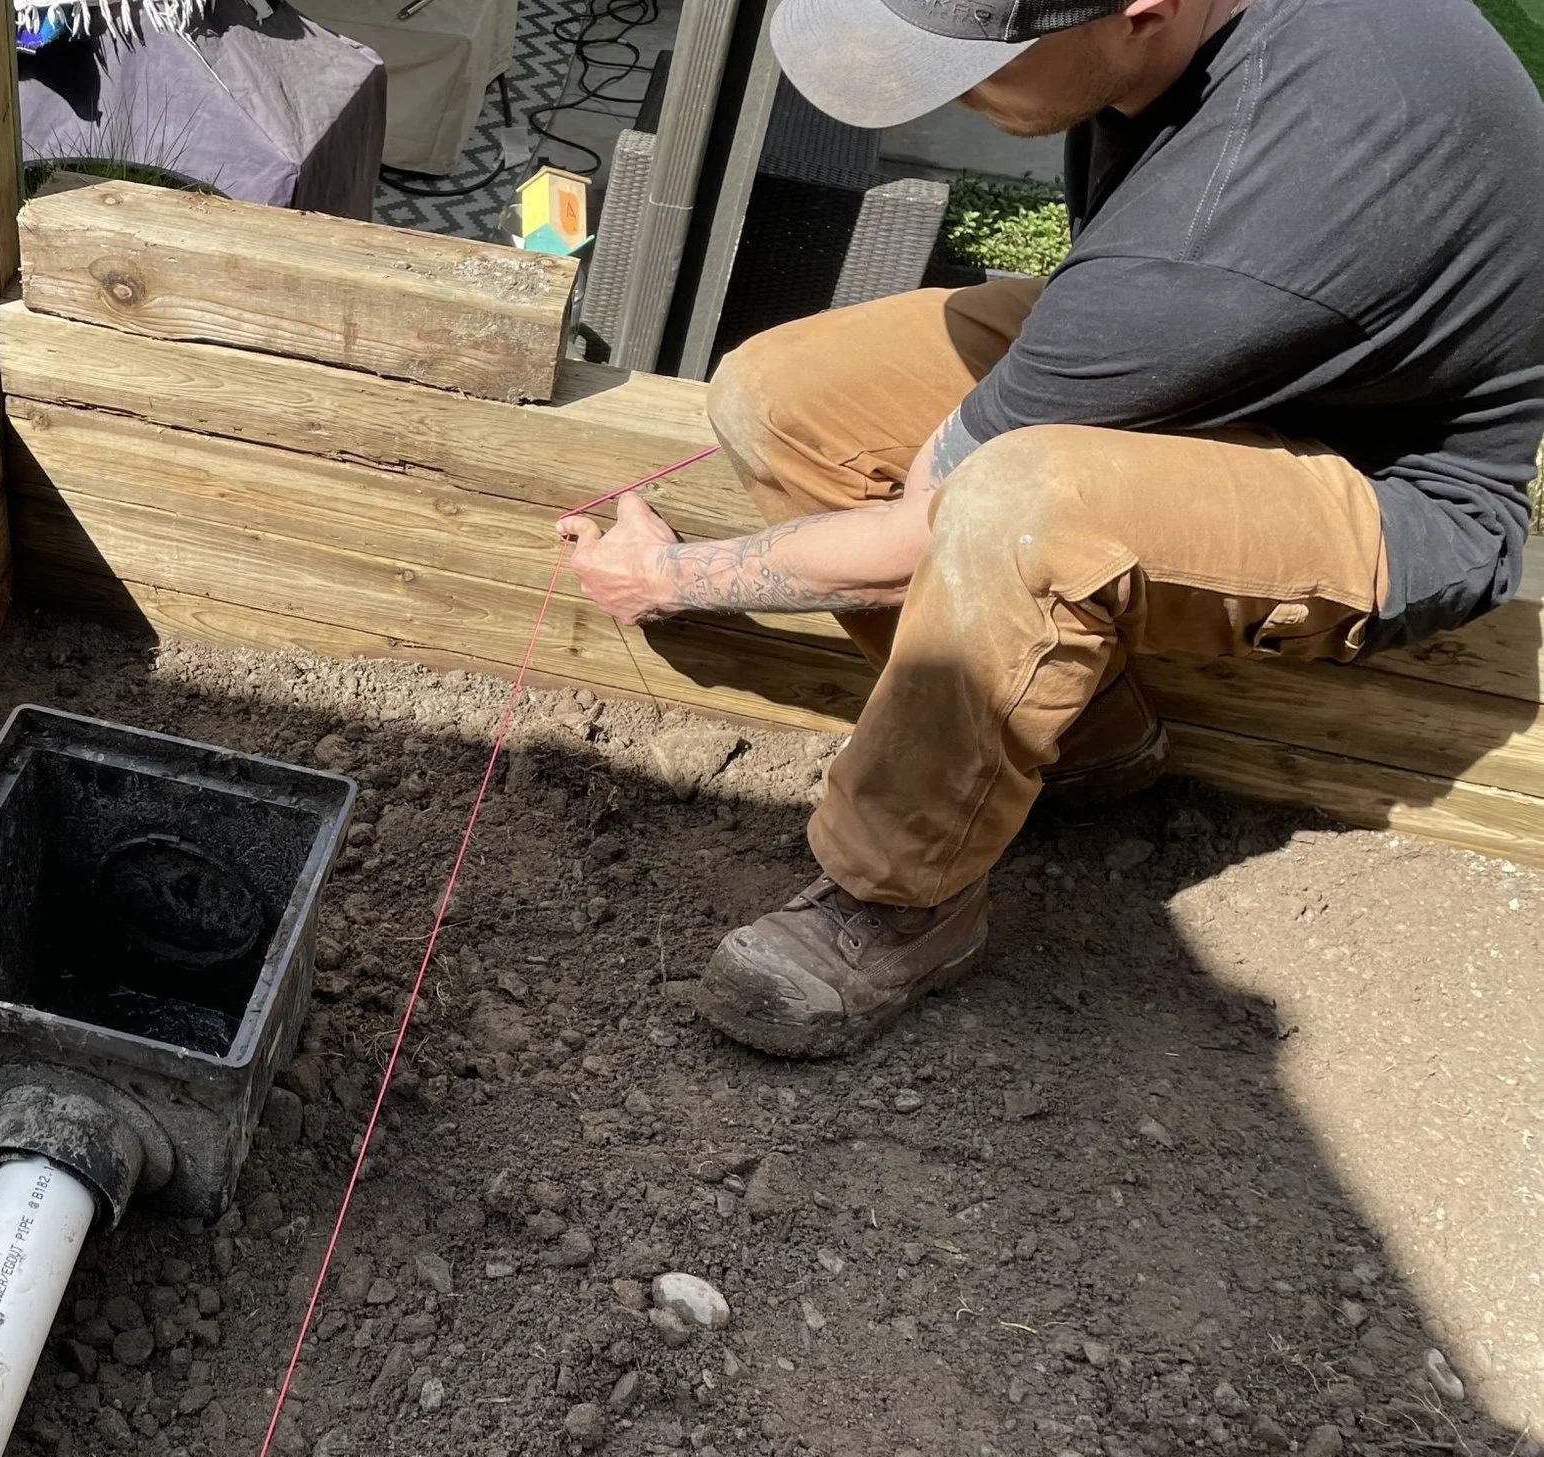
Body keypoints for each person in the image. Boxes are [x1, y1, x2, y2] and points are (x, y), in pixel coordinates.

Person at [561, 0, 1544, 1059]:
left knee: (1015, 507)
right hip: (1253, 354)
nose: (948, 100)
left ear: (1141, 16)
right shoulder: (1180, 77)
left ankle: (902, 900)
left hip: (1384, 488)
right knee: (779, 396)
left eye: (976, 67)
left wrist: (669, 577)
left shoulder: (1232, 226)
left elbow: (922, 534)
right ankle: (1082, 746)